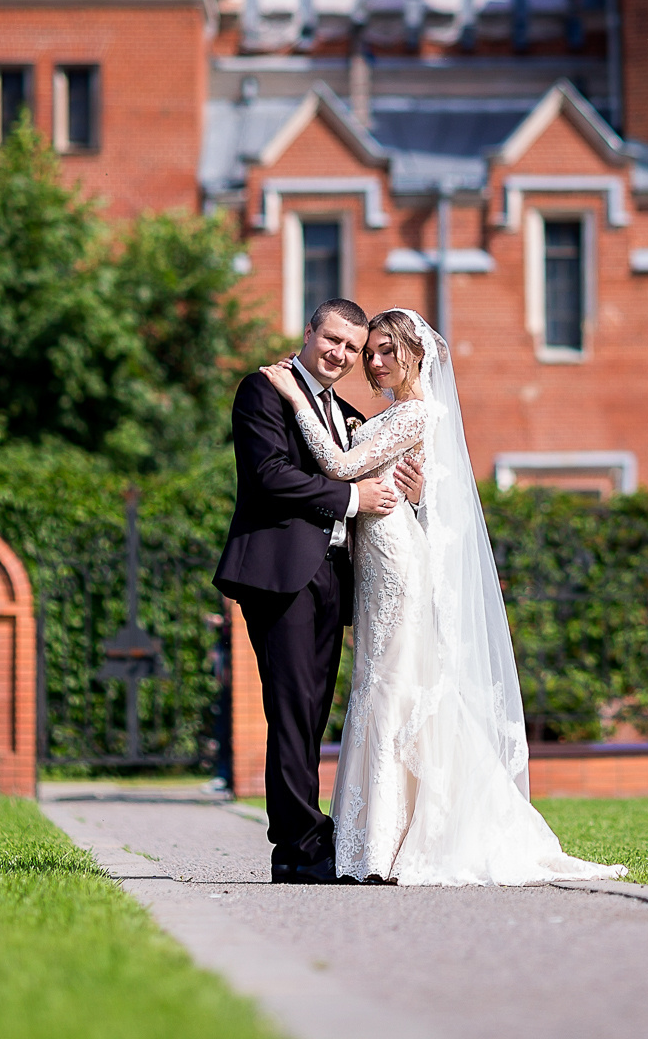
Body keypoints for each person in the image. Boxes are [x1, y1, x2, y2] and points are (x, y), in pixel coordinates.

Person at [257, 307, 623, 885]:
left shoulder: (418, 412)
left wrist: (296, 399)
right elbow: (366, 460)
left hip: (396, 560)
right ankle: (371, 839)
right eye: (366, 351)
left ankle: (381, 844)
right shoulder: (388, 413)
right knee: (381, 687)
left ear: (415, 355)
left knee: (395, 687)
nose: (371, 362)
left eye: (382, 351)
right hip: (374, 565)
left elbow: (341, 462)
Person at [214, 299, 424, 885]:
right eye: (332, 339)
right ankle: (298, 846)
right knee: (290, 708)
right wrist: (354, 500)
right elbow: (270, 474)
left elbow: (375, 458)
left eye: (352, 349)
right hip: (280, 571)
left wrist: (417, 481)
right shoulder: (263, 391)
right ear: (309, 334)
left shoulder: (348, 411)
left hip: (334, 574)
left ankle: (308, 835)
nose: (340, 354)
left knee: (312, 711)